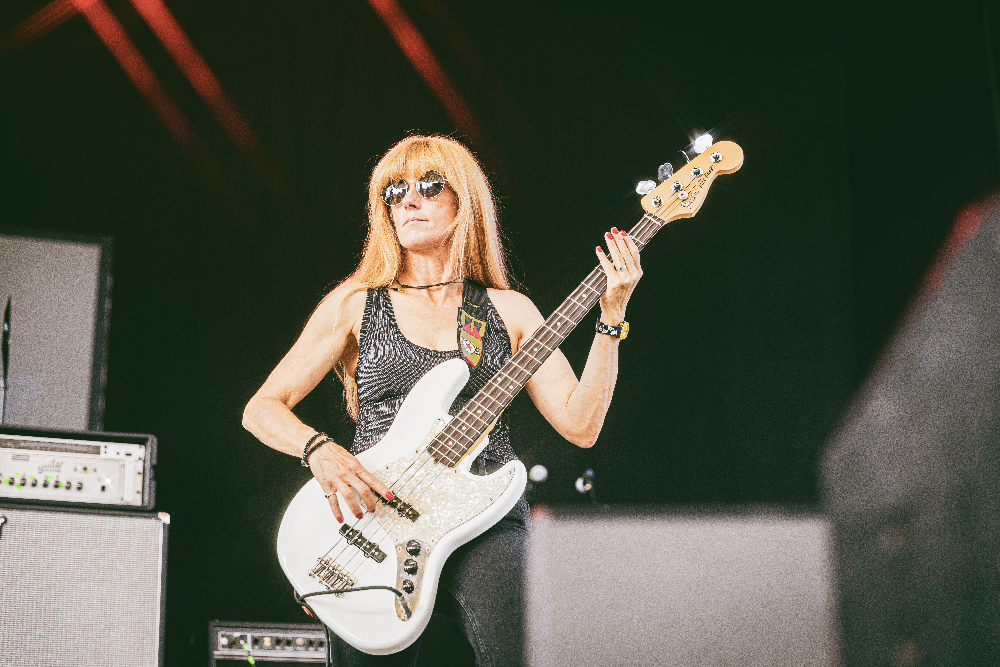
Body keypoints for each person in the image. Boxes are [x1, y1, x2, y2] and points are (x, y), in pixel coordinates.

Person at [242, 135, 642, 666]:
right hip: (376, 520)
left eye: (430, 187)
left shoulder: (510, 311)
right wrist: (321, 451)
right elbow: (262, 407)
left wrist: (611, 316)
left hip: (485, 517)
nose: (408, 200)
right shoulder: (354, 305)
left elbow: (580, 423)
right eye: (394, 191)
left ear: (464, 203)